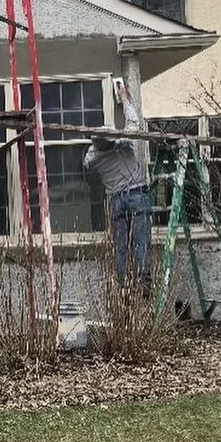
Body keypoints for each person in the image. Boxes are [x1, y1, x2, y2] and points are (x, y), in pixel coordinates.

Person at [83, 86, 152, 292]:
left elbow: (86, 162)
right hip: (136, 194)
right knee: (140, 241)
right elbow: (133, 123)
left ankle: (123, 284)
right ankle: (143, 283)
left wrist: (96, 144)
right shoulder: (122, 144)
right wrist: (124, 99)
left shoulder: (95, 158)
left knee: (121, 246)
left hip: (115, 201)